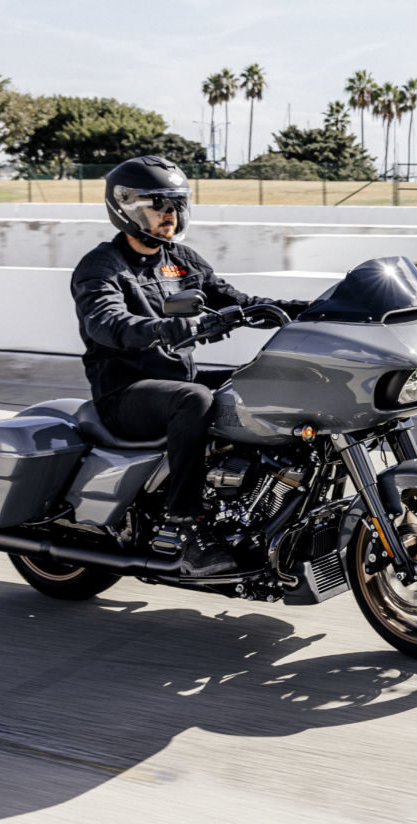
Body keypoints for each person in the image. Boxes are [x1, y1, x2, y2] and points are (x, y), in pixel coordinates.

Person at [71, 155, 305, 574]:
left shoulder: (181, 259)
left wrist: (315, 309)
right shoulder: (102, 265)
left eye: (176, 204)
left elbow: (240, 302)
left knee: (262, 381)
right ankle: (185, 524)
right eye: (158, 205)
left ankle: (265, 505)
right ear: (125, 207)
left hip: (176, 379)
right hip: (124, 394)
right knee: (193, 400)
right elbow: (107, 323)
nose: (169, 215)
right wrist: (170, 328)